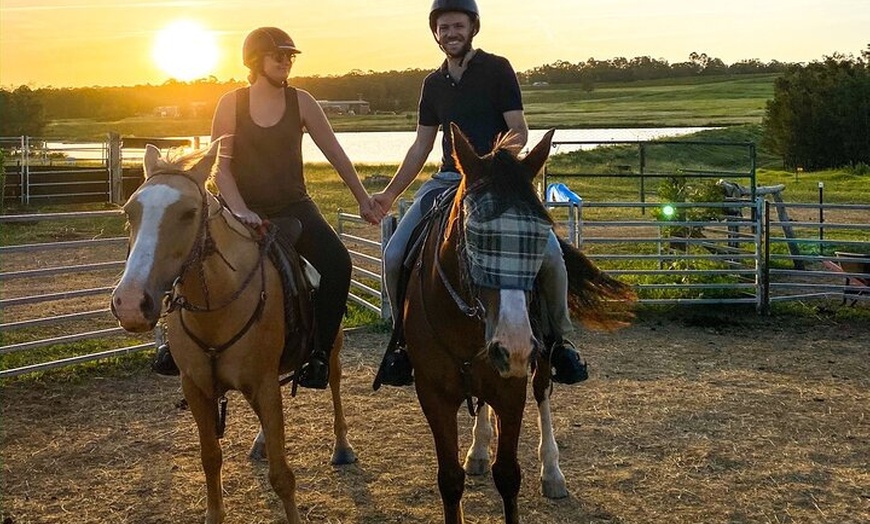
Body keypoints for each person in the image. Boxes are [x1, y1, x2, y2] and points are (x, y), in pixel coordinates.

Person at [370, 0, 588, 387]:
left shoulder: (497, 69)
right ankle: (401, 342)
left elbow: (519, 131)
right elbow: (421, 146)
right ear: (435, 33)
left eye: (458, 25)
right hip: (449, 181)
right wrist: (388, 195)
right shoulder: (432, 84)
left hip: (499, 181)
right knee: (394, 253)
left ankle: (558, 342)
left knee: (552, 254)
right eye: (443, 27)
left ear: (473, 27)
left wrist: (488, 164)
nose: (451, 33)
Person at [151, 26, 385, 389]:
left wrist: (362, 198)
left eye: (290, 57)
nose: (286, 62)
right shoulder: (231, 103)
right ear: (256, 61)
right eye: (279, 56)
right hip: (243, 209)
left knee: (339, 263)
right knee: (190, 256)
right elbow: (221, 167)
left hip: (296, 206)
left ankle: (318, 355)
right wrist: (241, 210)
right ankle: (173, 343)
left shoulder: (302, 101)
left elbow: (335, 153)